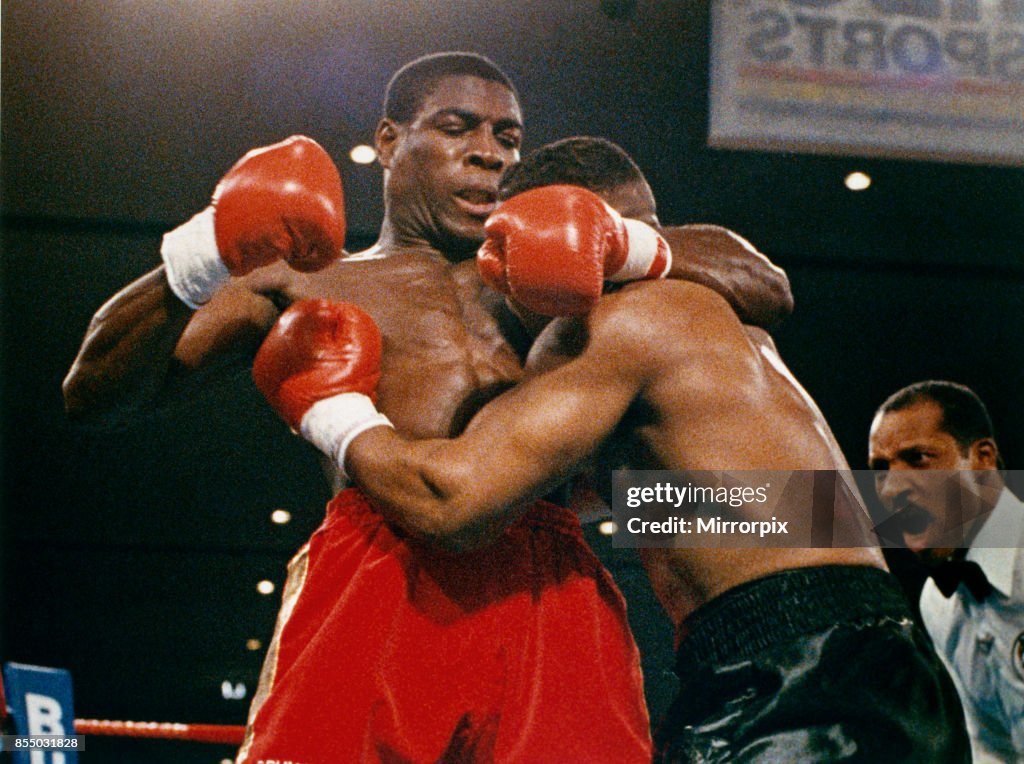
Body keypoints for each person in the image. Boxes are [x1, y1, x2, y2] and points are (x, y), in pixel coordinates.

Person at [61, 54, 792, 762]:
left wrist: (628, 243)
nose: (489, 155)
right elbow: (93, 396)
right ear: (388, 141)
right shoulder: (307, 280)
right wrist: (208, 247)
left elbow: (764, 285)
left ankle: (881, 519)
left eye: (507, 137)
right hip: (378, 567)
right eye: (456, 126)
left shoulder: (549, 277)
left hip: (550, 580)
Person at [256, 136, 973, 763]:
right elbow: (752, 512)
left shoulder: (617, 323)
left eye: (502, 256)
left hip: (793, 677)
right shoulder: (722, 330)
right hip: (889, 662)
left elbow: (452, 505)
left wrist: (331, 410)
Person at [869, 381, 1024, 763]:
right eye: (880, 469)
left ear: (983, 461)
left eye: (918, 458)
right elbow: (991, 745)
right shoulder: (938, 602)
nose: (892, 488)